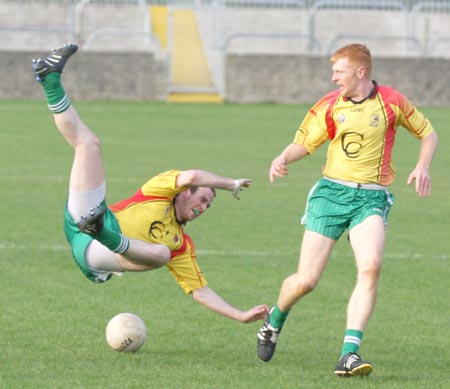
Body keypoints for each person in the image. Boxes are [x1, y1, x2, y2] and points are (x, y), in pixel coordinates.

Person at [32, 43, 269, 326]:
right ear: (182, 193)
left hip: (96, 253)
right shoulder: (159, 190)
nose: (204, 206)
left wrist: (240, 315)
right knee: (88, 144)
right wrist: (229, 183)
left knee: (161, 253)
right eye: (203, 198)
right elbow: (192, 175)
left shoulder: (181, 243)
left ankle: (101, 231)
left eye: (209, 204)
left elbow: (200, 291)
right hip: (86, 221)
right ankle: (50, 80)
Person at [256, 43, 438, 377]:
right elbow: (305, 143)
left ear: (360, 72)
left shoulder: (392, 101)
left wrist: (423, 166)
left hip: (371, 198)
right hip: (330, 196)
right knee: (306, 281)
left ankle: (348, 354)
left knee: (371, 268)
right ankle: (274, 322)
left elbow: (428, 133)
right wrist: (283, 157)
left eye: (338, 71)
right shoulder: (329, 105)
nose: (333, 77)